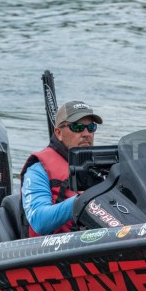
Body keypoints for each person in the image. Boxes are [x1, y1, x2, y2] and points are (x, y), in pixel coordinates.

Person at [19, 100, 103, 236]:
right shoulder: (37, 170)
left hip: (98, 240)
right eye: (77, 127)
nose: (86, 133)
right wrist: (84, 200)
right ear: (58, 133)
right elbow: (39, 221)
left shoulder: (103, 166)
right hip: (55, 246)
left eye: (91, 127)